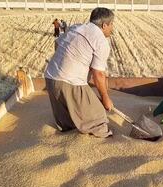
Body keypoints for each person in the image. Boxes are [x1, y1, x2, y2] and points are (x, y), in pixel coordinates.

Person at [45, 7, 115, 138]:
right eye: (111, 24)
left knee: (67, 121)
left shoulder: (76, 27)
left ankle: (68, 131)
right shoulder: (101, 41)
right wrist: (106, 99)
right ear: (104, 25)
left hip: (50, 78)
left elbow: (57, 44)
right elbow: (98, 74)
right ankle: (103, 142)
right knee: (98, 117)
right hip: (70, 81)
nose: (112, 27)